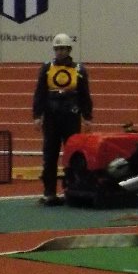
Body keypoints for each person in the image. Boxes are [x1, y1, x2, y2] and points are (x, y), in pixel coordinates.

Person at [31, 33, 93, 206]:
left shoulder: (79, 70)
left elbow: (84, 95)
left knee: (73, 156)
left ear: (69, 50)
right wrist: (37, 116)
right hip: (51, 118)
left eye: (63, 49)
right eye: (57, 49)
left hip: (71, 117)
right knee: (49, 155)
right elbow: (40, 93)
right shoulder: (47, 68)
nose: (60, 52)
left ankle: (73, 191)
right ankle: (49, 193)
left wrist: (87, 116)